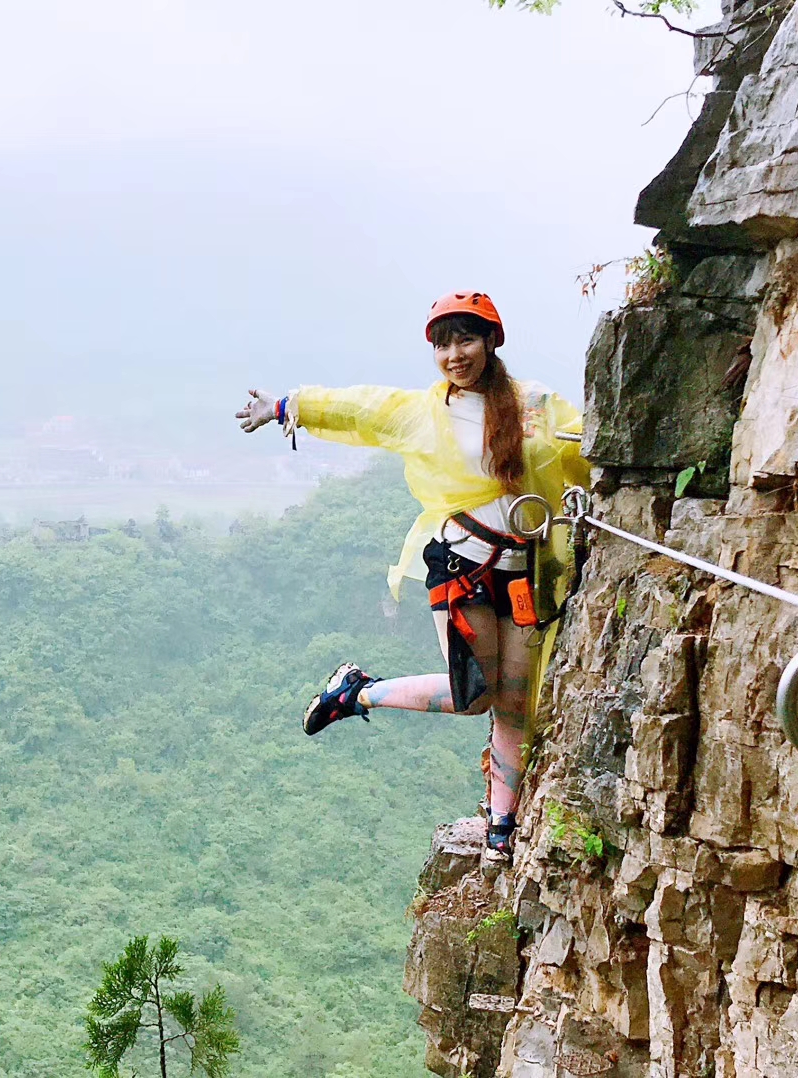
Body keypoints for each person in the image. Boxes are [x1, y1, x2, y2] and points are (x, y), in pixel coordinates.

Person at [233, 291, 590, 856]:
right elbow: (359, 408)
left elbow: (586, 452)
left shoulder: (539, 406)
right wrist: (284, 406)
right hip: (463, 565)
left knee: (516, 702)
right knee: (473, 696)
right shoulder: (425, 413)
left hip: (528, 570)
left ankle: (502, 827)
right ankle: (360, 692)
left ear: (493, 341)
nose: (455, 354)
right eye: (443, 343)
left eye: (466, 338)